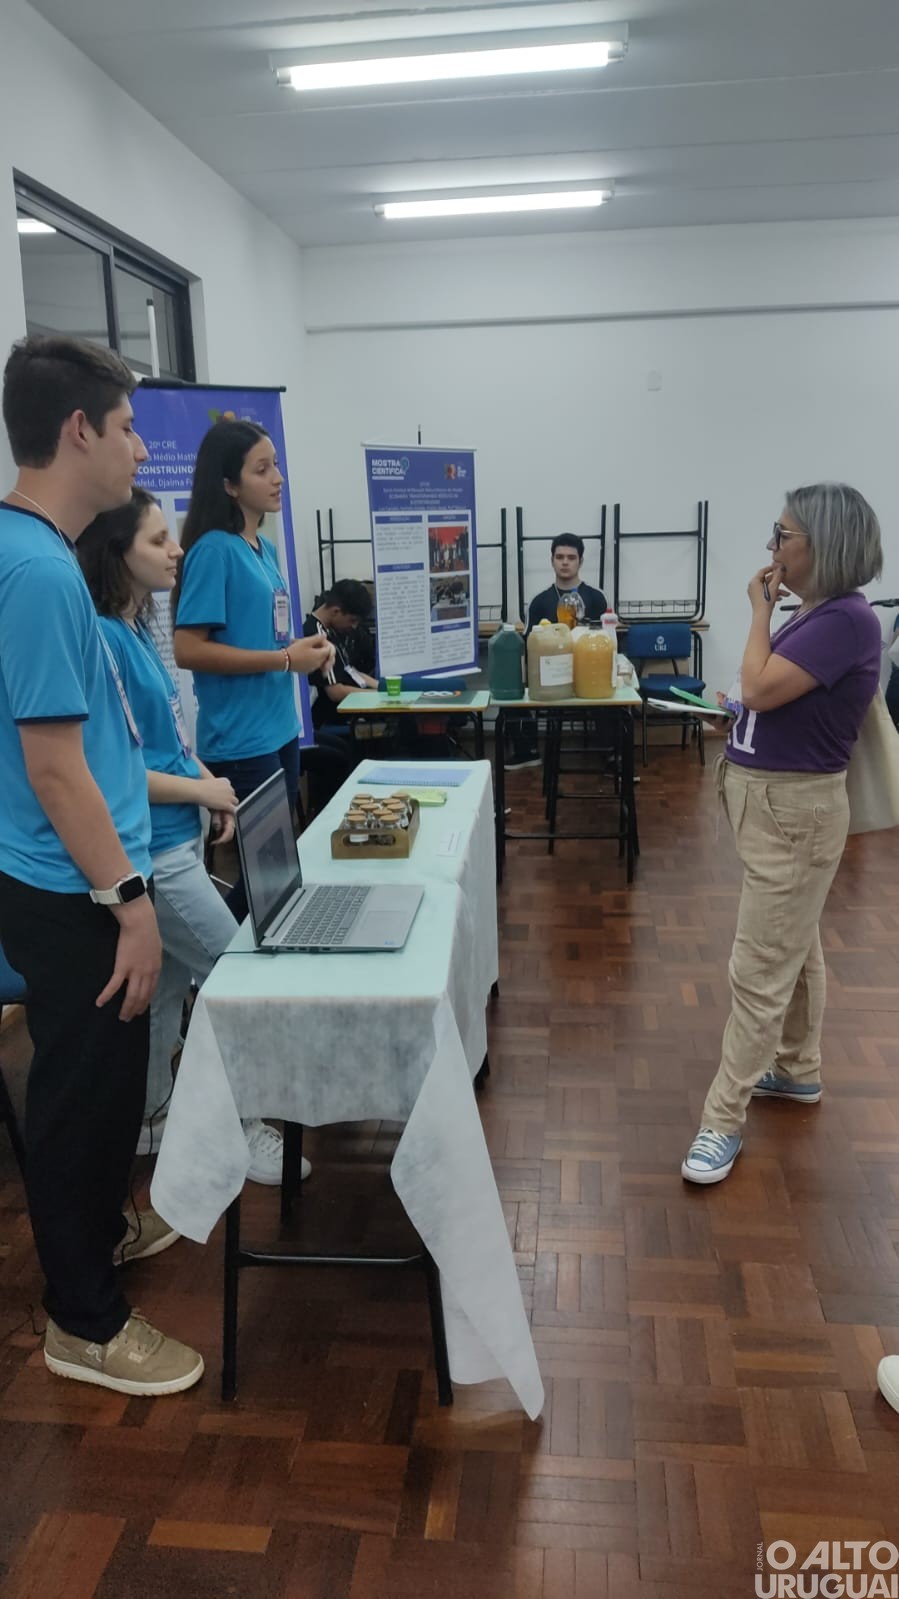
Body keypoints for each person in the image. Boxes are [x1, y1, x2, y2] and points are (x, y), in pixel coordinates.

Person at [0, 334, 203, 1396]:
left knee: (99, 1090)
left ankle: (96, 1240)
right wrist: (128, 900)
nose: (140, 449)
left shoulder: (26, 550)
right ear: (78, 430)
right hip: (73, 884)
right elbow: (53, 765)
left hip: (63, 874)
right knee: (86, 1100)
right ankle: (83, 1322)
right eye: (127, 428)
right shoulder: (38, 570)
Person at [78, 489, 304, 1186]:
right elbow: (110, 772)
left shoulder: (135, 628)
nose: (175, 550)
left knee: (168, 990)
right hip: (154, 854)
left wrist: (208, 782)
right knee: (238, 980)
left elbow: (168, 742)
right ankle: (244, 1123)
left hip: (177, 837)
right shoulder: (104, 640)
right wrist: (201, 792)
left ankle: (152, 1116)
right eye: (157, 540)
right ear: (116, 554)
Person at [682, 484, 883, 1185]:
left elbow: (763, 686)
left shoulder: (846, 619)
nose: (771, 545)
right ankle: (798, 1069)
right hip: (774, 808)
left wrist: (758, 611)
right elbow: (770, 701)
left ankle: (721, 1119)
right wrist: (735, 714)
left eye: (782, 533)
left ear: (821, 544)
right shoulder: (816, 615)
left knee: (759, 967)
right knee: (793, 947)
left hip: (794, 814)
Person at [172, 419, 334, 916]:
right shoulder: (213, 550)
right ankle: (222, 952)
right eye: (261, 469)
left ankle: (247, 948)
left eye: (276, 465)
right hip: (242, 740)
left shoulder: (263, 549)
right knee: (268, 873)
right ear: (229, 485)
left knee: (275, 870)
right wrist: (285, 659)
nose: (277, 478)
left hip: (279, 728)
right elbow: (188, 649)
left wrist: (303, 648)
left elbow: (265, 638)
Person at [508, 533, 608, 768]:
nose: (565, 562)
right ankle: (527, 751)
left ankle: (613, 754)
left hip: (588, 673)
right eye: (560, 557)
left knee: (611, 695)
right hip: (549, 676)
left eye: (571, 558)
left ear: (580, 561)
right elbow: (528, 645)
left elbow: (607, 641)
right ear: (551, 560)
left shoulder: (596, 598)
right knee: (512, 687)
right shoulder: (539, 601)